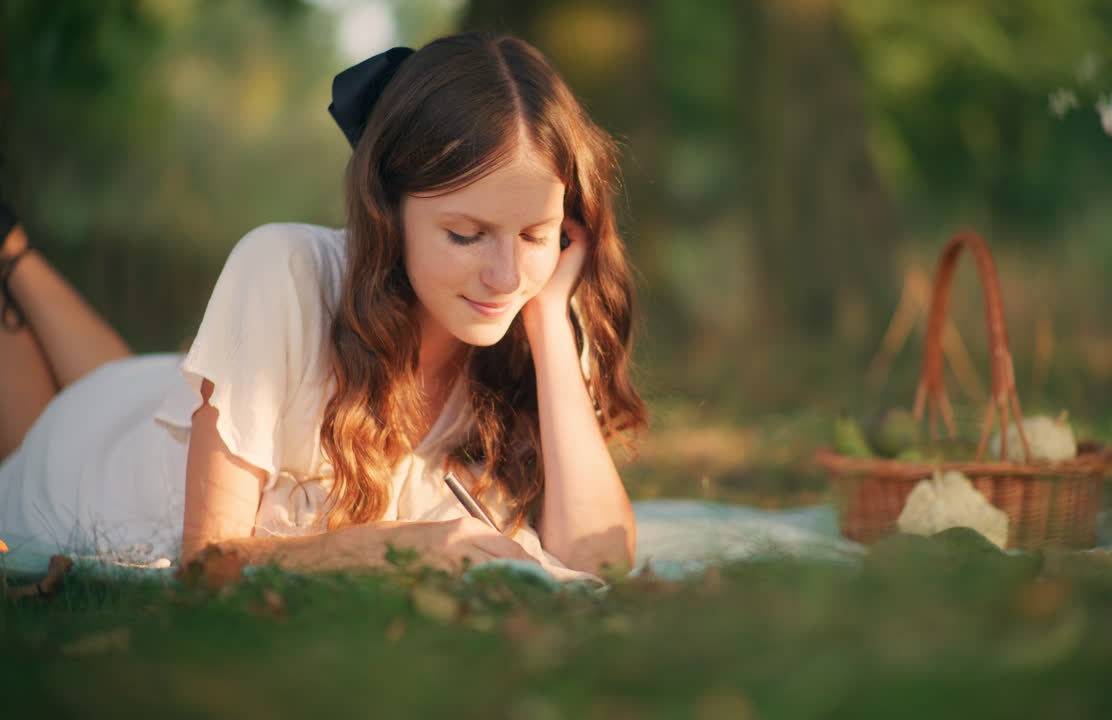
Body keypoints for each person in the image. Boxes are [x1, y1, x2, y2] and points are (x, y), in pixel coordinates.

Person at [0, 32, 647, 580]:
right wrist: (396, 549)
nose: (506, 276)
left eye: (535, 235)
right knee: (37, 444)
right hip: (94, 468)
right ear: (388, 212)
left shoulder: (531, 306)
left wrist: (549, 322)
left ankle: (11, 249)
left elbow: (602, 562)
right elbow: (205, 563)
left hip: (148, 397)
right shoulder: (281, 269)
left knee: (127, 387)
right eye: (466, 234)